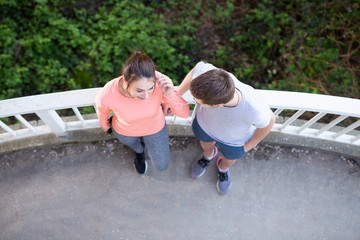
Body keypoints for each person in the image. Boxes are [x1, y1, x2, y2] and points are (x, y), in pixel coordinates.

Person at [176, 61, 275, 195]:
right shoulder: (211, 76)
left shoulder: (254, 109)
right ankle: (207, 156)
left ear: (218, 105)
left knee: (229, 159)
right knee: (205, 145)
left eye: (196, 100)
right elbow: (195, 70)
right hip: (204, 126)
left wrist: (251, 145)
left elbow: (270, 120)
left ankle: (223, 169)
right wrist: (177, 96)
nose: (193, 100)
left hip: (235, 141)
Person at [95, 49, 190, 174]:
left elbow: (184, 113)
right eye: (139, 90)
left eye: (150, 88)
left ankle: (142, 148)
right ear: (125, 81)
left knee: (161, 165)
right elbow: (102, 112)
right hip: (125, 131)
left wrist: (170, 93)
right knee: (136, 147)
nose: (146, 96)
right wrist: (106, 127)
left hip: (155, 128)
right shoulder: (107, 94)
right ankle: (140, 152)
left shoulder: (160, 82)